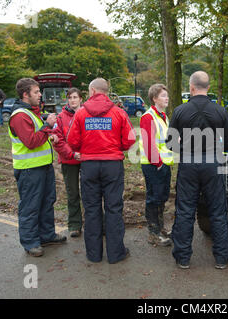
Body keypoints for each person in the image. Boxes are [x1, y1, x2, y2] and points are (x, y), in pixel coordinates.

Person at [166, 71, 228, 270]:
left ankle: (183, 258)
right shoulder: (220, 111)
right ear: (208, 87)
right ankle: (222, 258)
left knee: (185, 210)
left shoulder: (180, 111)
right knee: (218, 211)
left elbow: (170, 143)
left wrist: (184, 148)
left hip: (189, 163)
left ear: (191, 87)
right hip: (213, 163)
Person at [67, 77, 136, 264]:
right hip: (112, 165)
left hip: (89, 166)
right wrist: (116, 147)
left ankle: (94, 254)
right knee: (114, 209)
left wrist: (86, 148)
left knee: (91, 209)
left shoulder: (80, 114)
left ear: (91, 92)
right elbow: (130, 140)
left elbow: (72, 141)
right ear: (106, 92)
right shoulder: (119, 113)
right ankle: (116, 254)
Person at [9, 78, 67, 257]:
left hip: (42, 167)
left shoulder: (31, 113)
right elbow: (31, 142)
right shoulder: (20, 115)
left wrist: (49, 136)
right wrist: (48, 125)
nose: (40, 94)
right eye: (36, 92)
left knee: (47, 201)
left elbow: (37, 137)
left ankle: (46, 235)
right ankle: (31, 242)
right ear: (26, 95)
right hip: (29, 169)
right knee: (30, 206)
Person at [139, 84, 174, 247]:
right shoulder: (148, 117)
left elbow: (163, 140)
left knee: (161, 197)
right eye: (163, 96)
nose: (166, 98)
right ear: (154, 98)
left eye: (167, 95)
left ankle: (160, 229)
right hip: (154, 165)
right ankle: (153, 233)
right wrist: (158, 163)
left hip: (163, 164)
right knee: (154, 198)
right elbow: (148, 143)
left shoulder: (163, 117)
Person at [50, 88, 83, 238]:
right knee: (73, 193)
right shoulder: (61, 117)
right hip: (69, 160)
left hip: (86, 159)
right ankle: (75, 225)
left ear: (81, 99)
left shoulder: (88, 115)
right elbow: (58, 140)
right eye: (70, 97)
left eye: (75, 97)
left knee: (91, 193)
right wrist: (71, 154)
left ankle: (95, 223)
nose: (72, 100)